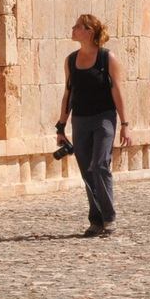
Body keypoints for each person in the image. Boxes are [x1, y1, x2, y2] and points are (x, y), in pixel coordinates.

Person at [55, 13, 131, 238]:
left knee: (99, 165)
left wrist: (125, 124)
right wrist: (61, 126)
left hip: (104, 118)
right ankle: (96, 220)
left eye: (77, 26)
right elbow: (68, 93)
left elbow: (117, 90)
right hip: (80, 120)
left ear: (89, 31)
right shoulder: (70, 60)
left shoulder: (107, 58)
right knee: (87, 171)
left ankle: (109, 217)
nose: (73, 29)